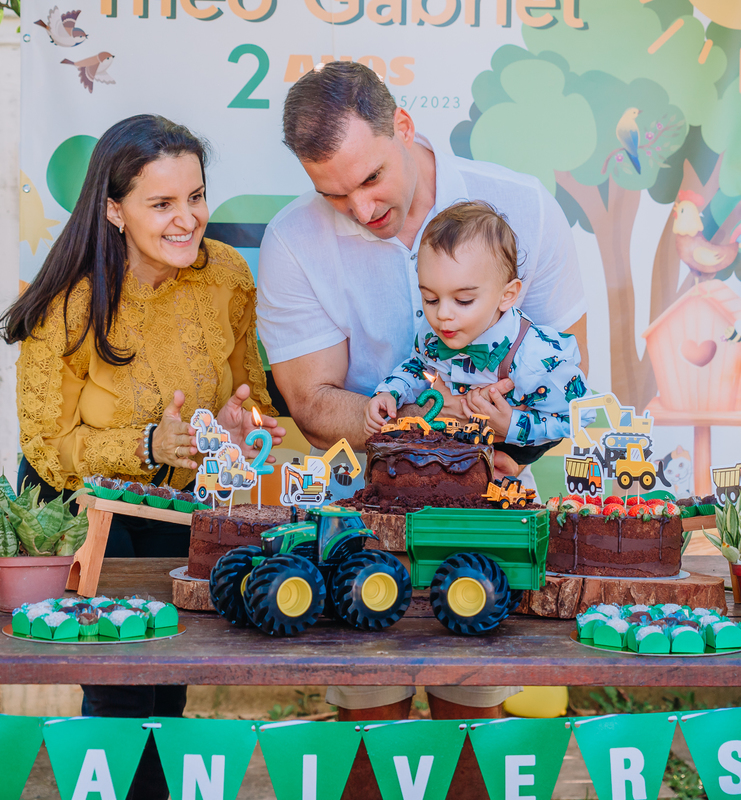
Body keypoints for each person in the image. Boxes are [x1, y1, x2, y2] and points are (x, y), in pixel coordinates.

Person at [256, 62, 589, 800]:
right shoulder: (292, 241)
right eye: (332, 192)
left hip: (487, 512)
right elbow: (312, 406)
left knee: (473, 699)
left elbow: (565, 378)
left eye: (371, 179)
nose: (359, 206)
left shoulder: (522, 207)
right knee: (369, 709)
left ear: (403, 126)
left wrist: (501, 445)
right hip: (369, 508)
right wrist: (429, 428)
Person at [0, 114, 282, 800]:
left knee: (171, 680)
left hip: (182, 508)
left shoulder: (228, 276)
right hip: (83, 515)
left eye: (195, 197)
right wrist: (146, 443)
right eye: (162, 204)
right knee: (122, 688)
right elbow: (45, 447)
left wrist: (245, 423)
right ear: (114, 210)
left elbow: (253, 394)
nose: (186, 219)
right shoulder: (64, 306)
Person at [367, 201, 588, 458]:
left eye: (463, 301)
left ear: (507, 295)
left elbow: (579, 415)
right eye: (430, 299)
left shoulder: (534, 361)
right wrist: (390, 392)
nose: (442, 315)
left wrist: (512, 426)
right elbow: (419, 367)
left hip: (505, 464)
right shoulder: (433, 332)